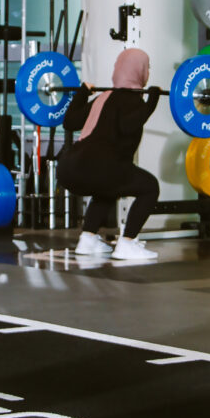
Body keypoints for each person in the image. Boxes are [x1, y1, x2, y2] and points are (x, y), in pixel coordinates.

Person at [57, 46, 160, 263]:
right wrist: (151, 102)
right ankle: (128, 243)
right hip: (99, 167)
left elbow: (70, 122)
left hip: (69, 168)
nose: (148, 71)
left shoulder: (103, 97)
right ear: (138, 71)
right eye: (147, 67)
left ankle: (87, 239)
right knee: (150, 187)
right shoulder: (132, 100)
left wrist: (82, 93)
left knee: (108, 187)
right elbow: (127, 126)